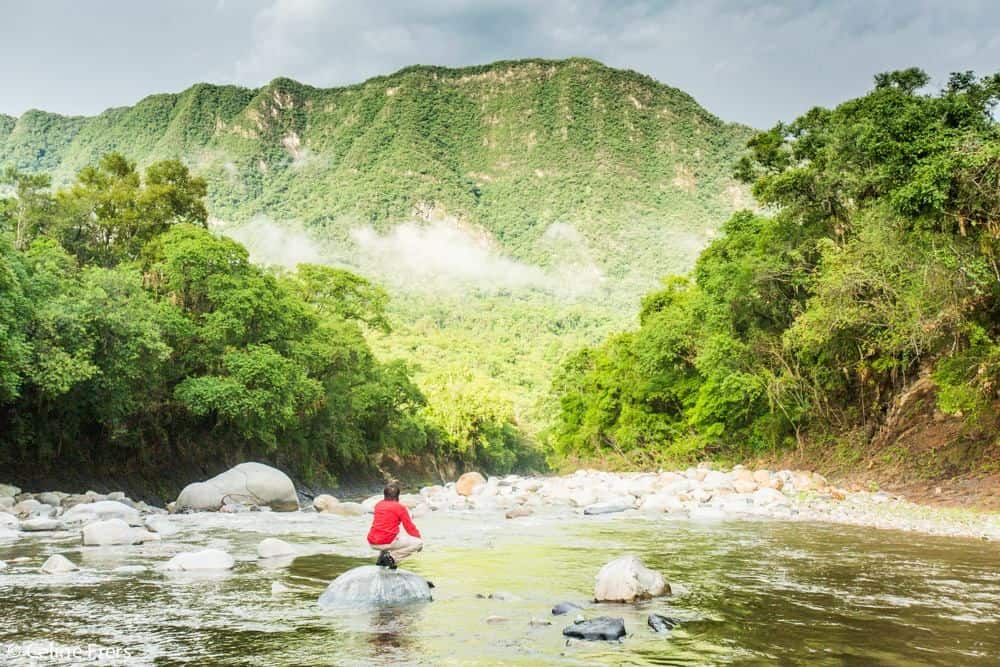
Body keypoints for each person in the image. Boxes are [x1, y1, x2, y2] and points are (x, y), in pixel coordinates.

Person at [367, 482, 422, 569]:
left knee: (387, 533)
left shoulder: (378, 505)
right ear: (397, 496)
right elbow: (409, 527)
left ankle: (381, 558)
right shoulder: (400, 507)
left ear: (384, 495)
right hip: (387, 541)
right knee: (418, 543)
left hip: (372, 542)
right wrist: (418, 539)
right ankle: (392, 558)